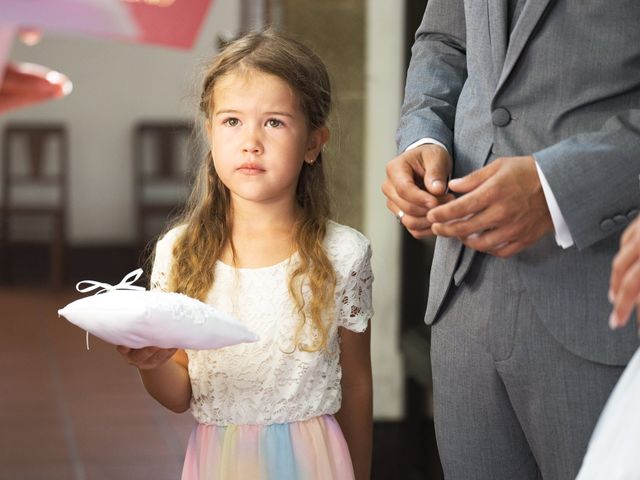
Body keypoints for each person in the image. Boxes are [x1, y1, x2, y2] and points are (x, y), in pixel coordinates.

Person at [383, 2, 640, 479]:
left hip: (606, 298)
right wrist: (422, 139)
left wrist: (559, 186)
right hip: (464, 300)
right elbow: (445, 39)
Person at [117, 30, 373, 480]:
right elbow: (179, 394)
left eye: (274, 122)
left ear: (314, 142)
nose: (250, 141)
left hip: (316, 463)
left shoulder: (344, 253)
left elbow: (356, 385)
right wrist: (150, 363)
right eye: (232, 121)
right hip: (221, 464)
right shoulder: (179, 252)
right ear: (210, 131)